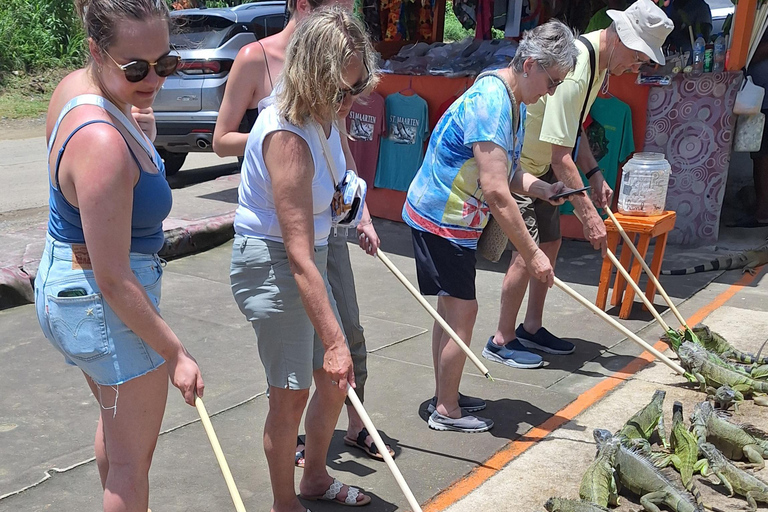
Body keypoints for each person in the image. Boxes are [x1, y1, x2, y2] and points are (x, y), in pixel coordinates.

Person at [34, 1, 205, 510]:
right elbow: (112, 277)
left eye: (165, 62)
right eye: (136, 68)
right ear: (96, 50)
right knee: (132, 466)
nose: (153, 79)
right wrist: (177, 353)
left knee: (116, 430)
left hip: (69, 287)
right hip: (102, 300)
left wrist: (140, 132)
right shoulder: (103, 142)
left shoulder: (78, 87)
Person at [213, 0, 389, 465]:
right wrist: (334, 343)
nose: (349, 103)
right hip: (276, 257)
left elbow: (338, 159)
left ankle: (315, 474)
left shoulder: (327, 109)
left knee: (336, 373)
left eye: (358, 89)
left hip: (315, 243)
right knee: (293, 392)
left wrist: (355, 208)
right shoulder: (286, 134)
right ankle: (285, 496)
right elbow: (296, 255)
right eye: (342, 91)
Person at [402, 20, 580, 433]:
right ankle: (446, 409)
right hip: (441, 218)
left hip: (451, 218)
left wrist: (542, 188)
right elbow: (496, 190)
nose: (551, 92)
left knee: (452, 310)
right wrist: (533, 253)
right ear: (531, 64)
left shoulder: (511, 97)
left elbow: (507, 171)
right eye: (551, 81)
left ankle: (446, 394)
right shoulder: (494, 101)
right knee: (462, 311)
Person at [489, 0, 673, 367]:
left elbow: (575, 131)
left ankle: (532, 326)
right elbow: (562, 155)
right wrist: (589, 215)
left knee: (552, 242)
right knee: (528, 254)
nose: (634, 68)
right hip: (521, 167)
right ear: (621, 38)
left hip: (544, 166)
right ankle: (501, 338)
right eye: (637, 58)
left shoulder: (599, 67)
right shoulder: (577, 67)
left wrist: (596, 175)